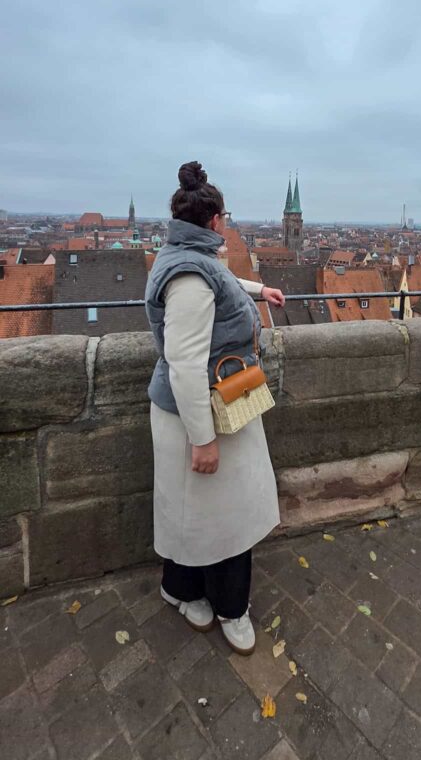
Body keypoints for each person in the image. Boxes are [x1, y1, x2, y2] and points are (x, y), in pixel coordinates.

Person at [145, 161, 285, 655]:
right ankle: (230, 607)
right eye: (226, 216)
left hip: (209, 405)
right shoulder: (187, 273)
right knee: (225, 516)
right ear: (215, 220)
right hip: (203, 412)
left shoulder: (186, 254)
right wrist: (203, 439)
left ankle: (180, 589)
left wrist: (257, 291)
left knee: (197, 513)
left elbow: (216, 283)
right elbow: (184, 363)